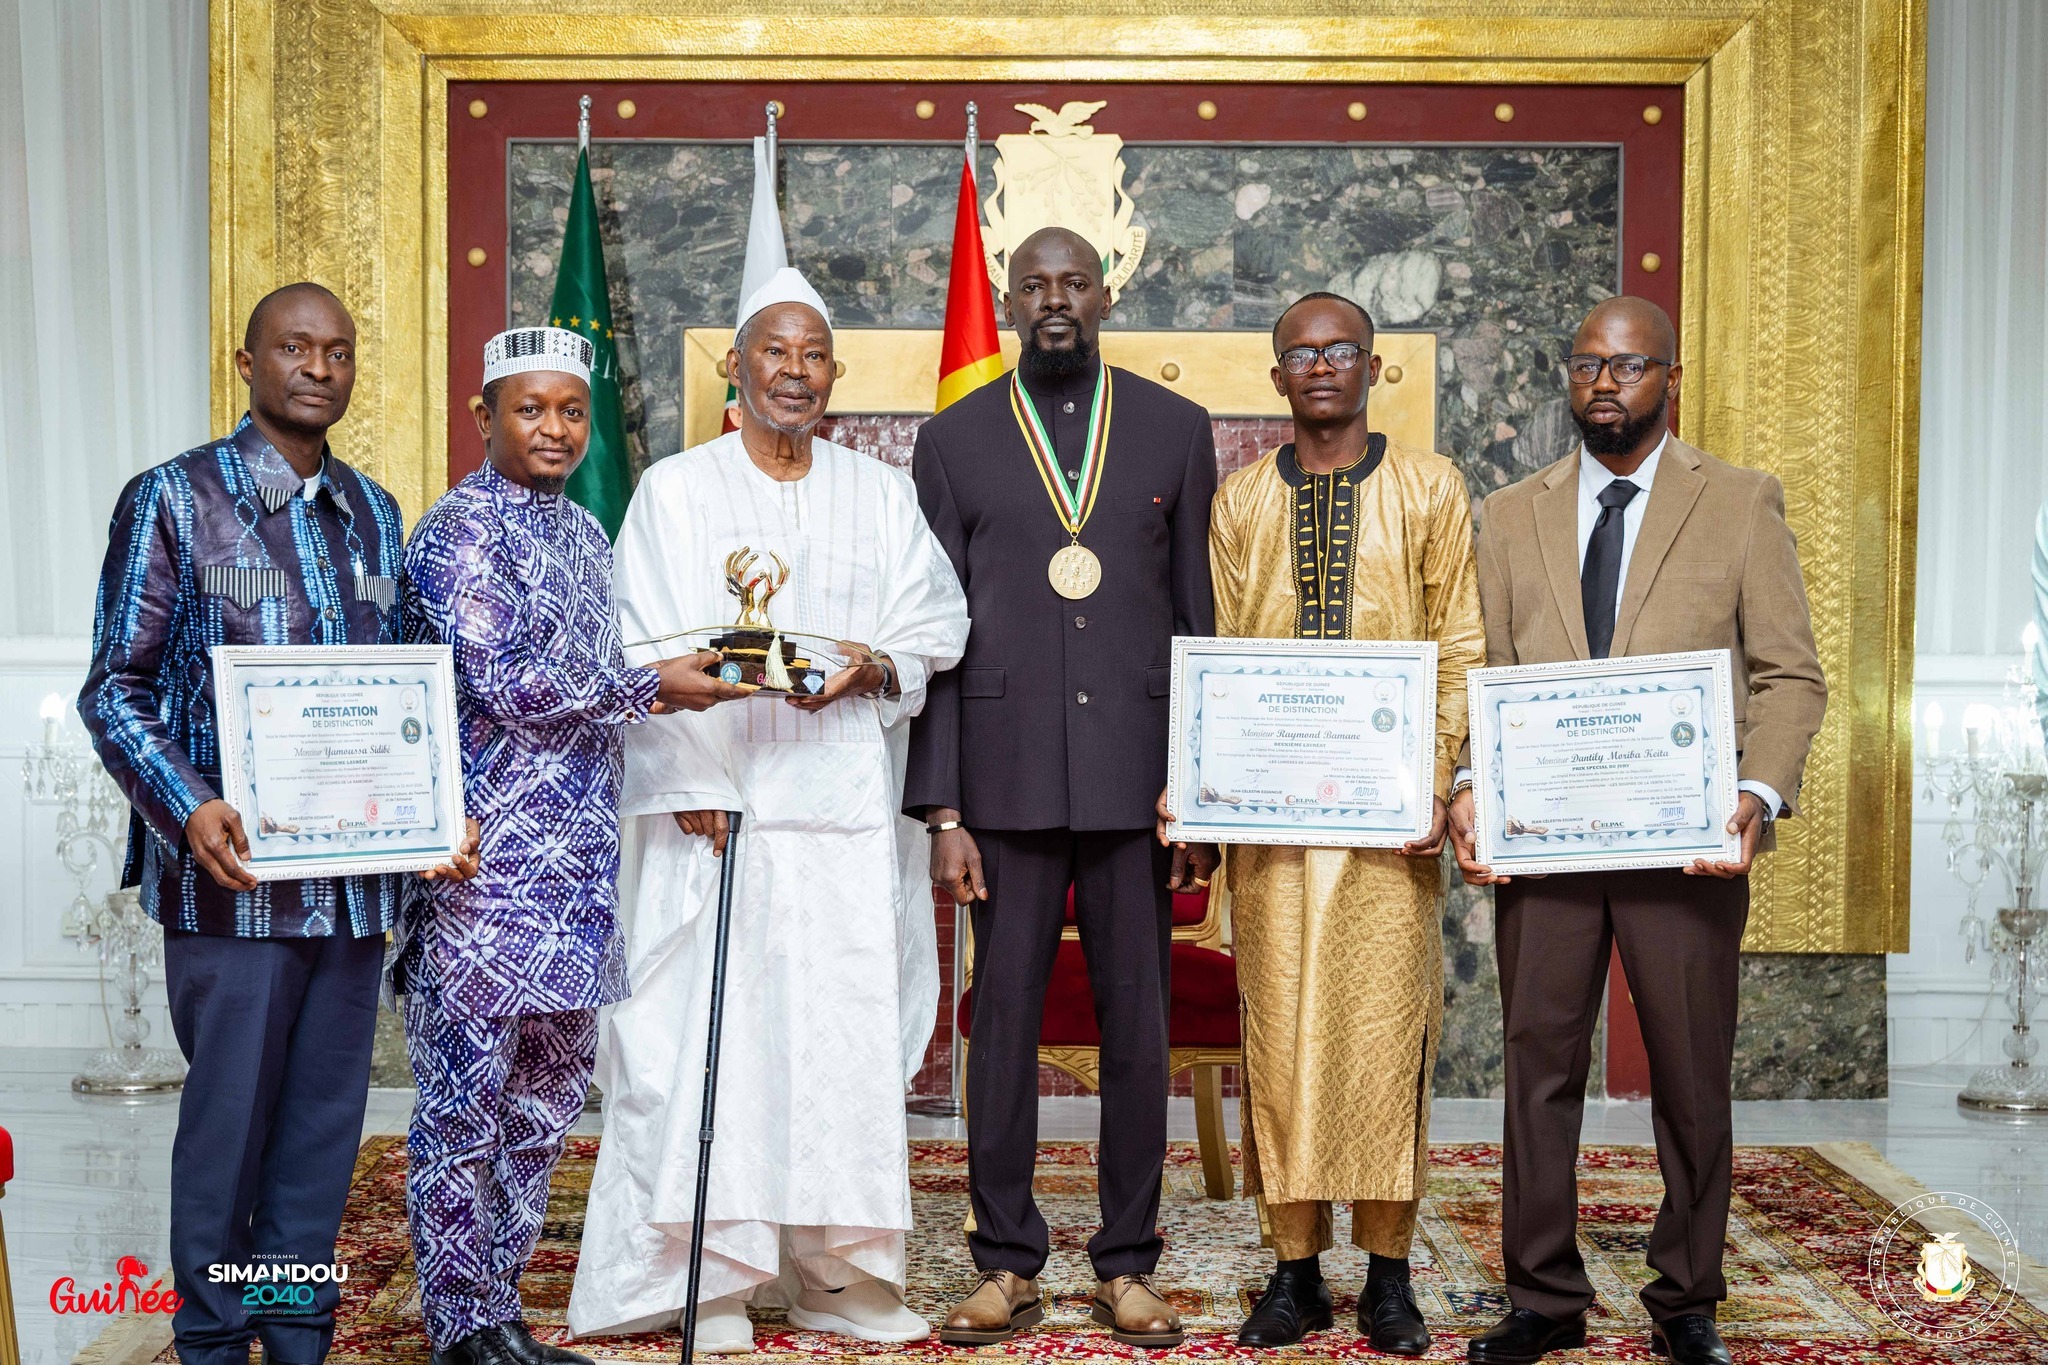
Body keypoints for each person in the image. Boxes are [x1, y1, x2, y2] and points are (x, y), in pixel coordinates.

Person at [77, 282, 481, 1365]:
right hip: (234, 888)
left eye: (338, 351)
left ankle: (296, 1335)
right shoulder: (170, 500)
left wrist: (435, 811)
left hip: (355, 889)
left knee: (319, 1134)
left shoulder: (377, 513)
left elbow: (404, 698)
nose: (319, 367)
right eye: (295, 348)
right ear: (245, 361)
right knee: (229, 1133)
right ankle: (210, 1343)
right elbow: (115, 687)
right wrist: (188, 803)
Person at [567, 268, 969, 1350]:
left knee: (838, 1042)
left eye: (812, 355)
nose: (793, 371)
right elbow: (638, 641)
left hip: (840, 813)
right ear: (733, 368)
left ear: (832, 375)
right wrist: (692, 778)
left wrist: (873, 664)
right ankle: (706, 1277)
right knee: (710, 1040)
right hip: (718, 813)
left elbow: (935, 619)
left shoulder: (877, 491)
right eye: (773, 352)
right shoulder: (675, 490)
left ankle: (834, 1276)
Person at [1448, 297, 1826, 1365]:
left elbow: (1789, 674)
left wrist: (1751, 793)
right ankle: (1541, 1298)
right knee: (1536, 1066)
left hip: (1686, 842)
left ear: (1669, 376)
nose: (1601, 385)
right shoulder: (1508, 513)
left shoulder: (1740, 502)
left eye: (1625, 367)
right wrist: (1473, 781)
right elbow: (1488, 678)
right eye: (1583, 366)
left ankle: (1686, 1297)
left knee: (1689, 1069)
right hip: (1547, 844)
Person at [396, 328, 745, 1365]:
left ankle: (499, 1316)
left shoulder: (586, 533)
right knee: (464, 1113)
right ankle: (458, 1327)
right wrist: (658, 685)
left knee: (544, 1108)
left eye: (570, 412)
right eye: (529, 410)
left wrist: (671, 687)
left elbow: (594, 682)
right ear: (485, 418)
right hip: (483, 878)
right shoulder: (457, 533)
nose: (554, 429)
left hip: (578, 875)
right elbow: (510, 685)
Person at [904, 226, 1219, 1350]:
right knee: (1001, 1029)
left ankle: (1127, 1262)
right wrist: (943, 811)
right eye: (1033, 284)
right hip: (1002, 787)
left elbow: (1197, 621)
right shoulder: (952, 440)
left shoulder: (1175, 433)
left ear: (1103, 293)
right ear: (1007, 297)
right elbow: (931, 637)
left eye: (1073, 283)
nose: (1054, 300)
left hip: (1139, 791)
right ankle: (1004, 1262)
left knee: (1140, 1033)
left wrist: (1199, 795)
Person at [1198, 292, 1483, 1355]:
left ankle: (1390, 1274)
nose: (1320, 366)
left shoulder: (1427, 487)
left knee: (1382, 1042)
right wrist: (1208, 780)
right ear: (1275, 379)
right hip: (1270, 828)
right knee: (1279, 1042)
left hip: (1387, 825)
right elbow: (1220, 656)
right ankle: (1292, 1271)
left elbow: (1457, 640)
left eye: (1339, 351)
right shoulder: (1239, 502)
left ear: (1372, 369)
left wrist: (1436, 777)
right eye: (1298, 354)